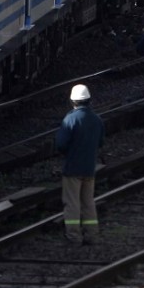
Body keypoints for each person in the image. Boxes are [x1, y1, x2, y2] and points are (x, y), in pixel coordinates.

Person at [55, 84, 105, 245]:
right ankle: (92, 235)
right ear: (89, 101)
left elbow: (61, 144)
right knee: (88, 202)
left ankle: (74, 236)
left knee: (72, 203)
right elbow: (101, 142)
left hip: (73, 169)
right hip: (89, 168)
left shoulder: (70, 119)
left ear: (73, 102)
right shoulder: (97, 120)